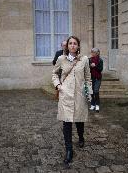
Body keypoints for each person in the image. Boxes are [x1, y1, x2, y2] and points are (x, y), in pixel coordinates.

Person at [52, 36, 92, 167]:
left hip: (80, 95)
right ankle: (69, 150)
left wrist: (89, 92)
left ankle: (81, 137)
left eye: (75, 43)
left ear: (78, 46)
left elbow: (87, 78)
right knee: (67, 123)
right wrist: (58, 86)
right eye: (70, 43)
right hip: (66, 95)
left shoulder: (84, 60)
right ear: (67, 46)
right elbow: (54, 74)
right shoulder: (61, 59)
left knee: (79, 120)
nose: (73, 45)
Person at [89, 48, 103, 112]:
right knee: (91, 92)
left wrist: (95, 66)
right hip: (91, 78)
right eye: (92, 52)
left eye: (93, 52)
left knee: (96, 91)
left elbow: (100, 69)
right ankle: (92, 104)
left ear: (97, 53)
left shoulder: (100, 60)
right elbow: (87, 69)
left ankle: (97, 105)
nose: (92, 53)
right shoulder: (90, 60)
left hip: (98, 78)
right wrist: (90, 66)